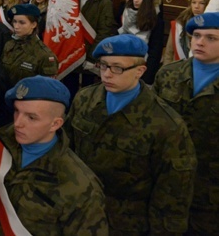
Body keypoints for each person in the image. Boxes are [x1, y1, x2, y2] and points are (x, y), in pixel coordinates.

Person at [64, 34, 196, 235]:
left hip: (128, 224)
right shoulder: (84, 99)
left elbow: (172, 195)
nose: (107, 74)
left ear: (140, 71)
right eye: (103, 66)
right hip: (79, 212)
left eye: (117, 68)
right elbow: (65, 150)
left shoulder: (166, 124)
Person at [0, 76, 108, 235]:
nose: (17, 123)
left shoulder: (80, 185)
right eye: (17, 111)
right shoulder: (2, 144)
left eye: (31, 117)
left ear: (55, 124)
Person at [153, 12, 219, 235]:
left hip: (210, 189)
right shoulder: (168, 74)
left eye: (211, 38)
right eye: (197, 35)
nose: (200, 42)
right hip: (166, 181)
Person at [64, 0, 117, 92]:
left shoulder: (104, 3)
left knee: (87, 90)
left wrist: (92, 57)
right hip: (72, 51)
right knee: (69, 87)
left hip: (91, 53)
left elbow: (104, 32)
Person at [118, 0, 164, 84]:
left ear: (147, 0)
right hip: (124, 61)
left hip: (143, 64)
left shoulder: (155, 20)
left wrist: (148, 74)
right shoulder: (126, 14)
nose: (136, 0)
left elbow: (155, 50)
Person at [2, 4, 58, 86]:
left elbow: (47, 88)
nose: (16, 26)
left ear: (33, 24)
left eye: (22, 22)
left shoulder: (44, 54)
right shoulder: (9, 45)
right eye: (15, 22)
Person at [162, 0, 210, 65]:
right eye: (194, 2)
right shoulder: (180, 24)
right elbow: (169, 53)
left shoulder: (213, 27)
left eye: (202, 3)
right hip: (178, 70)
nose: (196, 6)